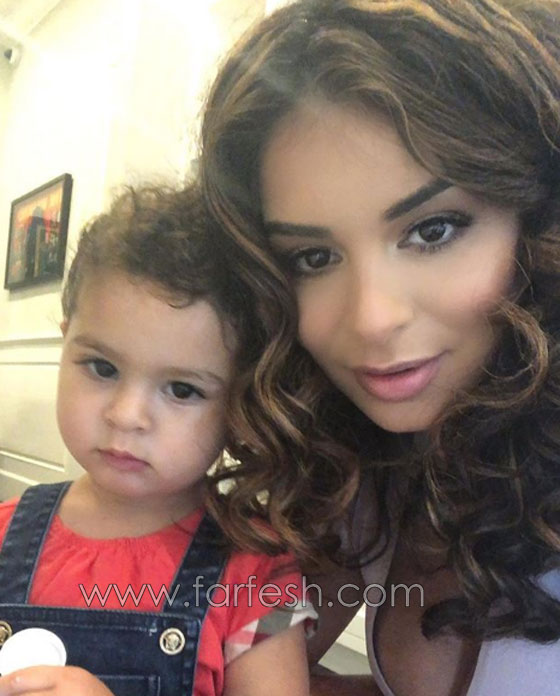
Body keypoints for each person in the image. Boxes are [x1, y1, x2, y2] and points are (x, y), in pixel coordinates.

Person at [198, 1, 560, 694]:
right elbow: (272, 634)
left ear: (540, 219)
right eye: (313, 258)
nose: (371, 320)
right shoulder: (375, 474)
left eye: (433, 230)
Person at [0, 186, 314, 696]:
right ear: (66, 340)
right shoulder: (4, 532)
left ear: (240, 401)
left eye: (183, 390)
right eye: (102, 367)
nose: (126, 416)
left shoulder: (264, 576)